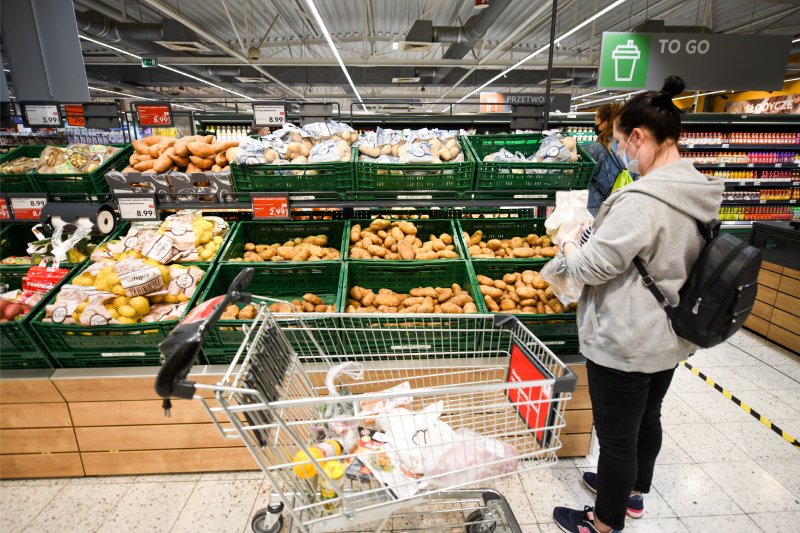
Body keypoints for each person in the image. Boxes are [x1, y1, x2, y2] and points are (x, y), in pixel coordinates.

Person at [550, 76, 724, 533]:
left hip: (625, 337)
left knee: (616, 436)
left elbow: (591, 269)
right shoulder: (698, 191)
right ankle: (631, 494)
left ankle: (604, 521)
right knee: (648, 418)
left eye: (624, 141)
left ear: (640, 137)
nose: (622, 150)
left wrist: (569, 244)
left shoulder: (643, 201)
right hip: (668, 332)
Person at [585, 103, 626, 216]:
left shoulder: (597, 149)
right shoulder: (630, 148)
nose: (595, 125)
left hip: (596, 210)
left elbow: (581, 180)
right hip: (620, 208)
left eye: (596, 121)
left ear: (604, 124)